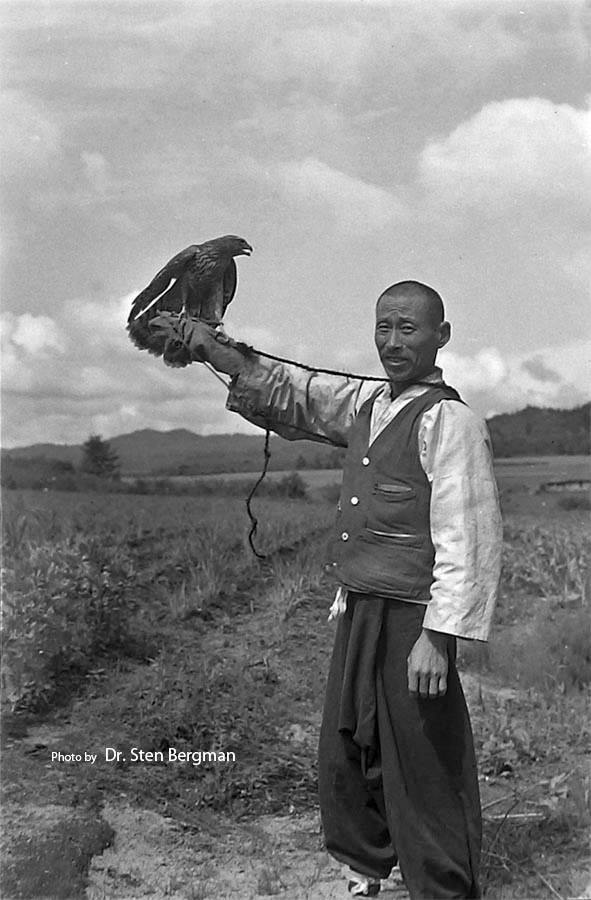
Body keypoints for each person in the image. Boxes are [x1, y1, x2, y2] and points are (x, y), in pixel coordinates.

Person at [150, 281, 502, 899]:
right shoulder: (367, 404)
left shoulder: (452, 422)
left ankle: (443, 886)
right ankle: (368, 869)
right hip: (360, 605)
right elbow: (300, 393)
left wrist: (438, 638)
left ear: (441, 336)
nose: (393, 342)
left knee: (423, 758)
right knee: (349, 743)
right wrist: (214, 349)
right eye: (384, 327)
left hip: (414, 619)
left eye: (409, 328)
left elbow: (468, 536)